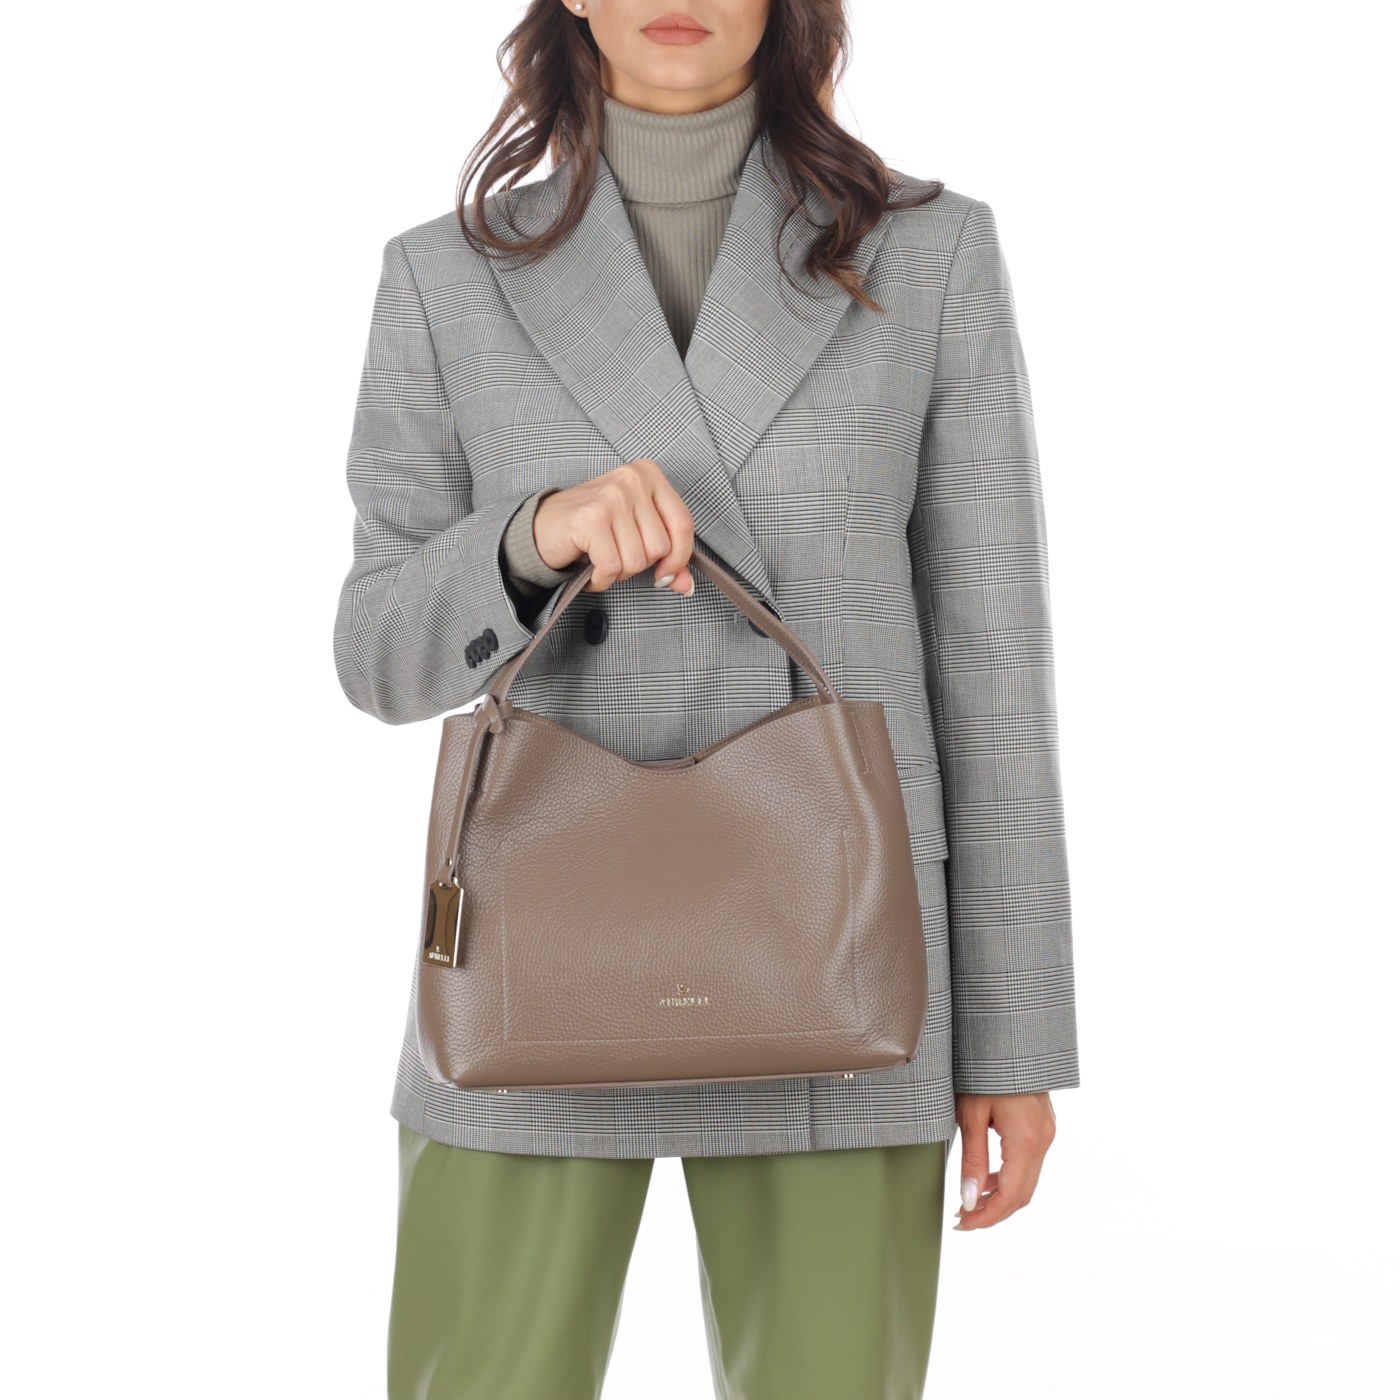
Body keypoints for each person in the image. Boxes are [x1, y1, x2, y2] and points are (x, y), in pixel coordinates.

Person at [333, 3, 1078, 1396]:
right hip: (536, 957)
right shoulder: (446, 275)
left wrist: (1016, 1036)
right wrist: (532, 535)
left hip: (846, 949)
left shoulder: (928, 253)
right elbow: (377, 653)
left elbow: (994, 670)